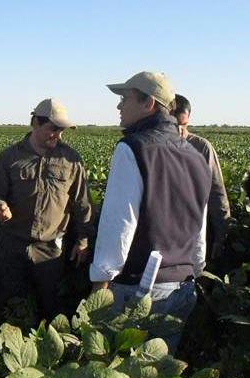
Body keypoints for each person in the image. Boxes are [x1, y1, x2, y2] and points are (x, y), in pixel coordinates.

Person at [89, 72, 212, 352]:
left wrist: (101, 281)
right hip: (182, 287)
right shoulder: (196, 157)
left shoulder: (132, 148)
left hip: (140, 288)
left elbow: (119, 223)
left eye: (125, 99)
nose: (119, 106)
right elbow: (199, 228)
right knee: (159, 374)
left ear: (149, 104)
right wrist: (196, 268)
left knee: (118, 371)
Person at [0, 98, 94, 321]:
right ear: (35, 122)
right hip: (12, 244)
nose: (58, 135)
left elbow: (82, 203)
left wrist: (83, 239)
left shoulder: (71, 160)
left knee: (51, 306)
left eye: (61, 130)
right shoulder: (10, 157)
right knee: (8, 304)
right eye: (53, 129)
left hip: (51, 247)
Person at [171, 94, 231, 261]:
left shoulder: (201, 147)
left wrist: (221, 236)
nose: (180, 131)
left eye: (183, 125)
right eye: (174, 126)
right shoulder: (153, 147)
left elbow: (216, 192)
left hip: (197, 231)